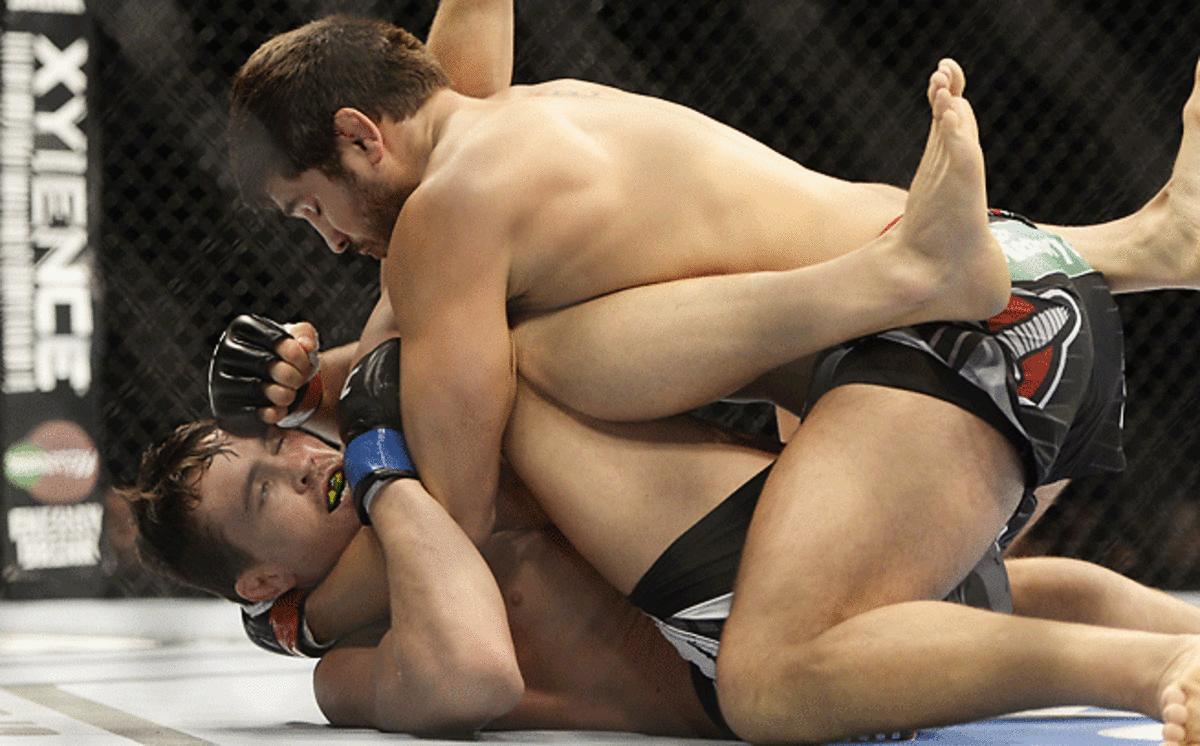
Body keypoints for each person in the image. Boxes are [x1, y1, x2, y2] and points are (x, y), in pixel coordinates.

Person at [226, 12, 1200, 742]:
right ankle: (1141, 241)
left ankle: (1159, 666)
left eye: (314, 209)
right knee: (554, 349)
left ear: (362, 136)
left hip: (939, 347)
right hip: (1015, 296)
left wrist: (310, 601)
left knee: (768, 676)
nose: (336, 243)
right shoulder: (528, 125)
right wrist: (333, 380)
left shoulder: (443, 224)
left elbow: (459, 503)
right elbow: (454, 76)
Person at [127, 337, 1200, 739]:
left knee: (1041, 583)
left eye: (288, 446)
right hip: (743, 654)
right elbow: (471, 672)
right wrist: (376, 464)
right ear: (261, 575)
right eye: (267, 489)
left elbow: (439, 337)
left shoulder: (417, 474)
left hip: (792, 561)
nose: (306, 462)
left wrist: (337, 380)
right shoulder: (342, 651)